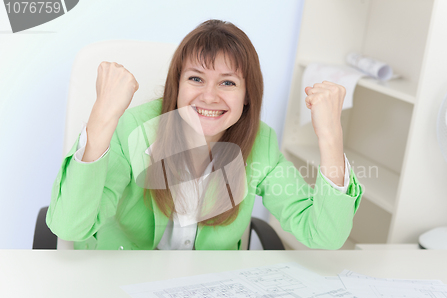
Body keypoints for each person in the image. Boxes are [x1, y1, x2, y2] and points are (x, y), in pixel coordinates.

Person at [46, 19, 363, 250]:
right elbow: (70, 227)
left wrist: (330, 136)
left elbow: (325, 236)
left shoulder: (261, 144)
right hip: (123, 286)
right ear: (177, 85)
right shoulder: (131, 131)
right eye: (196, 79)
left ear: (247, 95)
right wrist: (103, 117)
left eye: (228, 83)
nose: (210, 96)